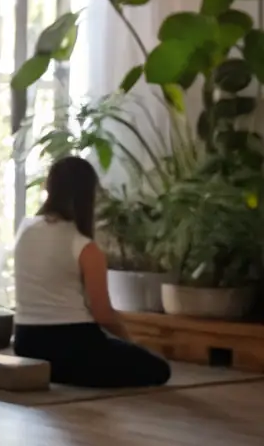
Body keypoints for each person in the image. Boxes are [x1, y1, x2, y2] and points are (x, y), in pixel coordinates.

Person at [12, 155, 171, 389]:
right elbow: (103, 314)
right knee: (159, 369)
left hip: (26, 343)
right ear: (89, 194)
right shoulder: (83, 246)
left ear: (50, 187)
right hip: (73, 347)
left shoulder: (24, 231)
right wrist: (131, 342)